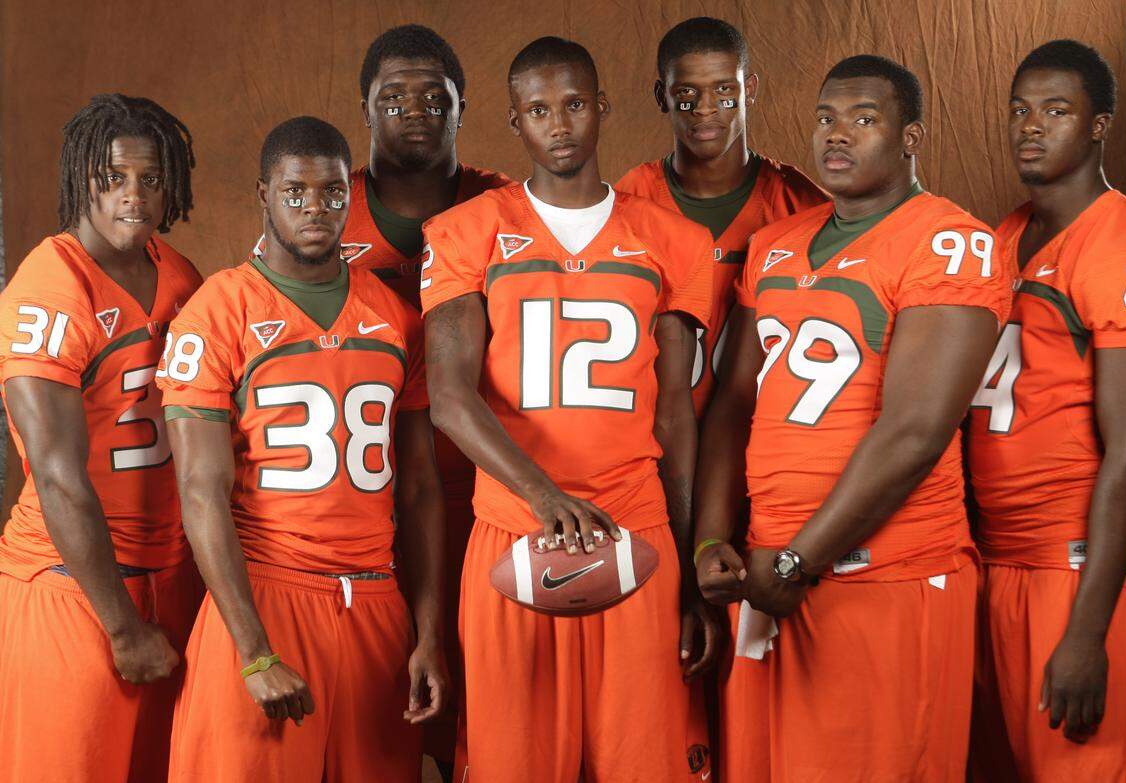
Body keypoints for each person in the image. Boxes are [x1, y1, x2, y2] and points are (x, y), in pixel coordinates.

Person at [694, 55, 1011, 781]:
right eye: (826, 118)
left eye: (864, 120)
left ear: (911, 138)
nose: (837, 136)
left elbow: (916, 429)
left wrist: (803, 557)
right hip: (771, 565)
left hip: (883, 575)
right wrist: (714, 534)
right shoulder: (776, 245)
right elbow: (732, 403)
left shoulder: (949, 241)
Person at [421, 37, 716, 782]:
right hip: (515, 529)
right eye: (539, 109)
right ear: (514, 120)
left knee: (645, 761)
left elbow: (677, 416)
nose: (560, 125)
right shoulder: (467, 231)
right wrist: (544, 495)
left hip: (635, 525)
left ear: (602, 108)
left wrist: (683, 565)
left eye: (575, 104)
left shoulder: (676, 240)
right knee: (508, 763)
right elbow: (450, 398)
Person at [161, 116, 447, 782]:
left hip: (376, 603)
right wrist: (255, 651)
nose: (314, 209)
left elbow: (421, 487)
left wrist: (428, 632)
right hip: (267, 592)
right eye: (295, 193)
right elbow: (200, 489)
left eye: (331, 193)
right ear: (263, 194)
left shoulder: (396, 317)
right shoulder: (218, 310)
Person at [0, 93, 203, 782]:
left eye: (151, 178)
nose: (134, 196)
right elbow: (56, 475)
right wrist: (121, 626)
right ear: (82, 175)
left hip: (166, 574)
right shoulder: (49, 286)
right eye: (113, 177)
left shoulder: (178, 274)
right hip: (78, 587)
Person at [967, 39, 1126, 781]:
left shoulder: (1122, 239)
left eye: (1056, 110)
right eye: (1019, 110)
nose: (1030, 126)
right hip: (996, 559)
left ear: (1099, 125)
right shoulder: (1006, 234)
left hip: (1073, 567)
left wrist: (1088, 630)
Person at [350, 25, 512, 777]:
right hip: (361, 494)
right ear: (364, 110)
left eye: (431, 94)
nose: (413, 108)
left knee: (484, 704)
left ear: (460, 105)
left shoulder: (507, 206)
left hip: (487, 491)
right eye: (392, 96)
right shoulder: (320, 204)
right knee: (372, 713)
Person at [616, 16, 827, 416]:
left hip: (761, 445)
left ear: (750, 90)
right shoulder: (630, 198)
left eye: (724, 90)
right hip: (653, 441)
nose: (706, 108)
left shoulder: (803, 206)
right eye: (687, 93)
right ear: (662, 96)